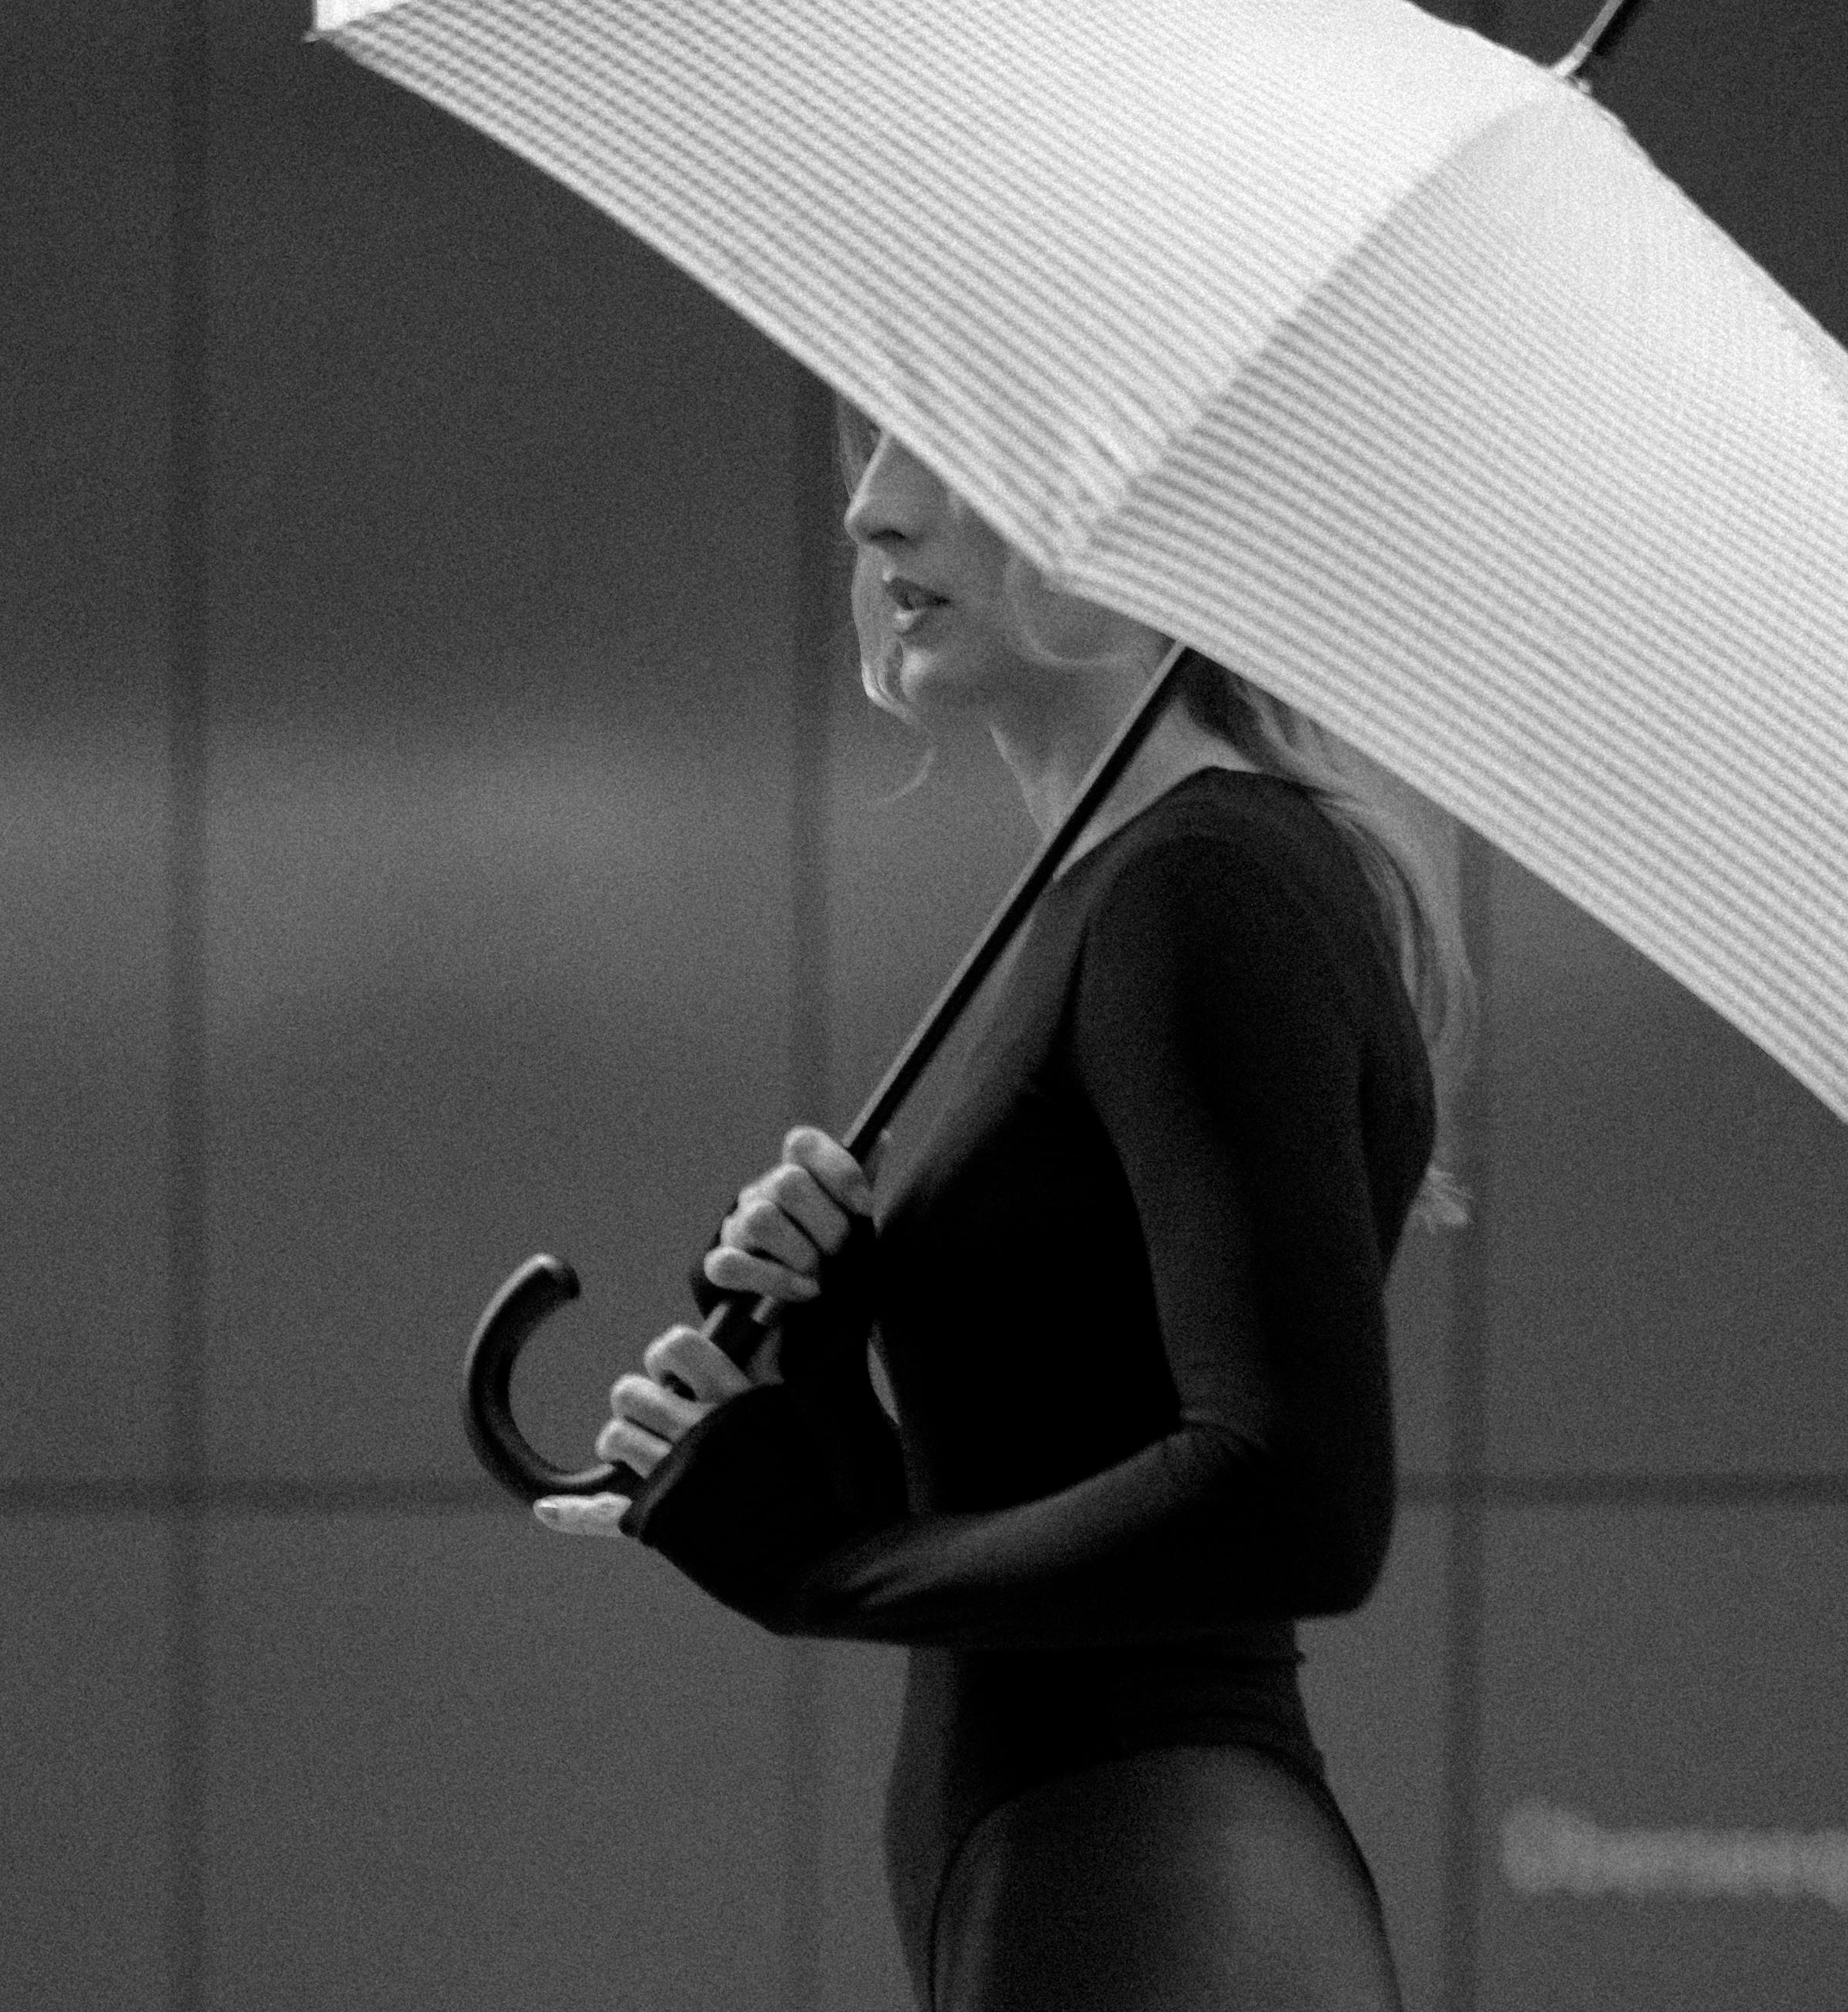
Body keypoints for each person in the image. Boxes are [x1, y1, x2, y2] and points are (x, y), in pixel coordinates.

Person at [531, 409, 1468, 2011]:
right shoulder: (1138, 886)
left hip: (1154, 1880)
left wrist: (825, 1565)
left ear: (1153, 518)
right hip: (1116, 1876)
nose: (874, 517)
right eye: (872, 453)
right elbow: (1058, 1476)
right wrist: (827, 1379)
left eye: (959, 456)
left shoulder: (1202, 887)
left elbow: (1291, 1498)